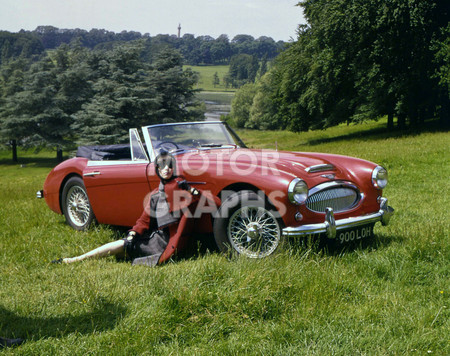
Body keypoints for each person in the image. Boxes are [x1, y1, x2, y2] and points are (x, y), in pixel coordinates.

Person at [53, 151, 220, 267]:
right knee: (121, 246)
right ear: (158, 170)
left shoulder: (181, 187)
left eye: (170, 166)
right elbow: (144, 220)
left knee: (121, 250)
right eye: (163, 166)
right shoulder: (155, 195)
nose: (167, 169)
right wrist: (133, 233)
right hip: (158, 240)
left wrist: (191, 190)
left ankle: (75, 259)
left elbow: (209, 201)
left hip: (173, 241)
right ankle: (75, 259)